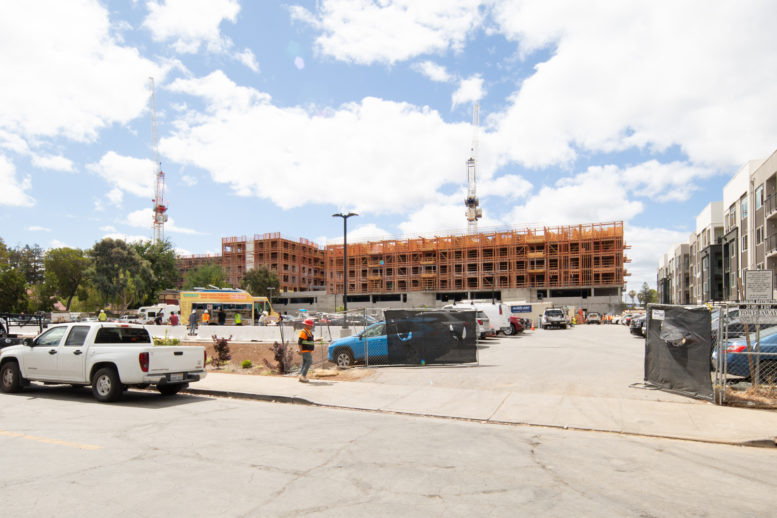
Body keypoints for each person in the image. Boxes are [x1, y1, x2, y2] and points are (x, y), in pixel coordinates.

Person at [298, 318, 315, 383]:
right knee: (309, 361)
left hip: (308, 350)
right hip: (305, 350)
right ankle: (303, 375)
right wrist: (300, 350)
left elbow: (309, 341)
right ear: (307, 325)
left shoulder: (308, 332)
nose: (311, 326)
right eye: (310, 325)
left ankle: (301, 376)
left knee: (305, 363)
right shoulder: (303, 332)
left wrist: (317, 339)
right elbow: (300, 342)